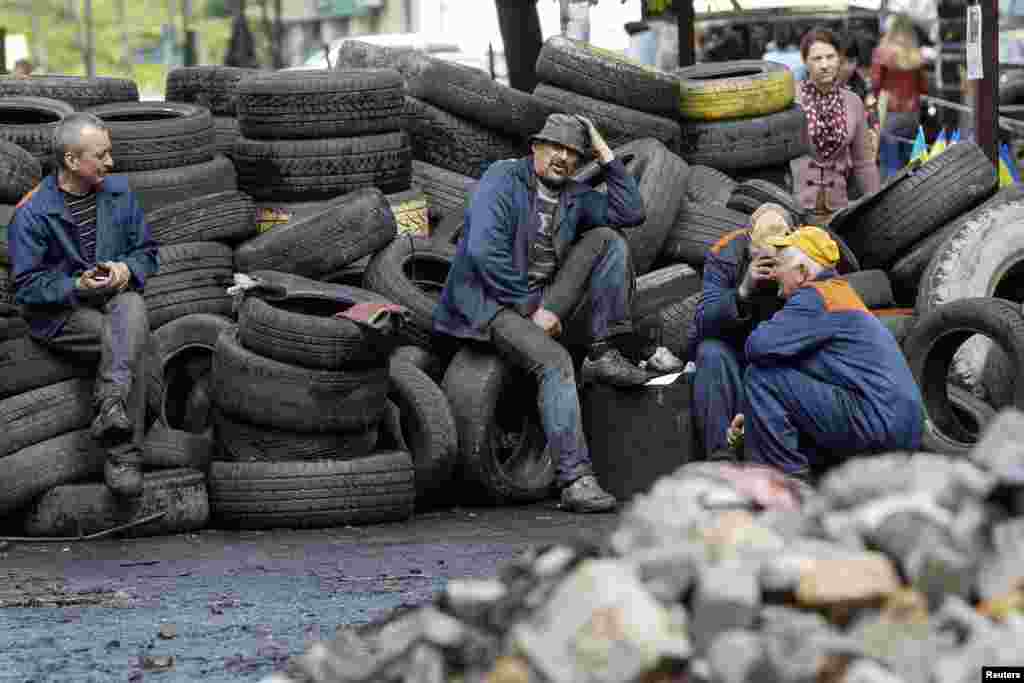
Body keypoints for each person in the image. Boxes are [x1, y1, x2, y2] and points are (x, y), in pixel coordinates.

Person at [433, 113, 647, 513]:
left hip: (541, 299)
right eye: (556, 147)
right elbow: (484, 252)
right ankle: (575, 479)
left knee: (608, 240)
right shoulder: (503, 177)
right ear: (535, 147)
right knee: (555, 363)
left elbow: (631, 213)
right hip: (490, 302)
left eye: (573, 152)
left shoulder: (573, 194)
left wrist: (603, 151)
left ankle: (604, 351)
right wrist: (534, 310)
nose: (563, 158)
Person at [9, 112, 159, 498]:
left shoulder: (119, 193)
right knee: (134, 345)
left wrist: (126, 269)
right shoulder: (32, 213)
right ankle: (123, 454)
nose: (111, 162)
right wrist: (76, 284)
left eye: (109, 153)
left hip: (117, 302)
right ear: (72, 161)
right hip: (63, 316)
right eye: (102, 155)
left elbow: (147, 252)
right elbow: (26, 288)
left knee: (131, 309)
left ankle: (111, 407)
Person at [737, 226, 923, 479]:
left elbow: (757, 346)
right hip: (900, 425)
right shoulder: (838, 293)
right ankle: (811, 479)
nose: (775, 273)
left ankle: (786, 485)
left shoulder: (816, 297)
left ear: (802, 273)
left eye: (780, 265)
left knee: (760, 376)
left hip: (879, 420)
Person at [686, 203, 794, 460]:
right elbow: (703, 321)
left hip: (783, 348)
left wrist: (792, 280)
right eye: (761, 252)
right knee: (710, 353)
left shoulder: (809, 248)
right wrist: (743, 290)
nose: (769, 261)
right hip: (735, 348)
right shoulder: (725, 253)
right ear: (748, 240)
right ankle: (721, 460)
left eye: (777, 251)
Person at [792, 26, 880, 224]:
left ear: (839, 59)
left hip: (837, 210)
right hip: (795, 208)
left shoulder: (854, 102)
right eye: (817, 59)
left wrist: (877, 205)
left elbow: (864, 163)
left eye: (830, 57)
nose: (825, 65)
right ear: (805, 62)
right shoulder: (792, 98)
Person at [872, 14, 929, 178]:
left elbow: (876, 83)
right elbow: (923, 88)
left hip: (890, 112)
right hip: (912, 113)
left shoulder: (882, 52)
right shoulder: (915, 54)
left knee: (889, 163)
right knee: (909, 162)